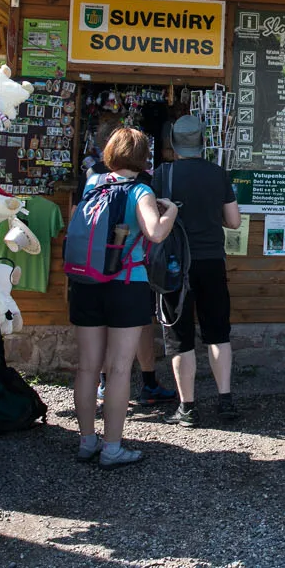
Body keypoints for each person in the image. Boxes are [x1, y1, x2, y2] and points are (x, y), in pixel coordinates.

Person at [70, 127, 178, 467]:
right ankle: (113, 448)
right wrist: (171, 210)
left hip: (85, 282)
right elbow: (155, 233)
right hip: (126, 283)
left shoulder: (91, 184)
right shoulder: (141, 190)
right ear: (143, 157)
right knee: (118, 369)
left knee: (88, 367)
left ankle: (87, 440)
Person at [154, 115, 244, 426]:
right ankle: (225, 400)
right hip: (211, 262)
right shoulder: (218, 174)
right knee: (218, 332)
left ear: (174, 145)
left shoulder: (162, 174)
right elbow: (234, 222)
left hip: (175, 265)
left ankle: (187, 408)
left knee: (181, 338)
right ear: (202, 143)